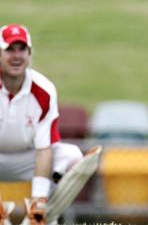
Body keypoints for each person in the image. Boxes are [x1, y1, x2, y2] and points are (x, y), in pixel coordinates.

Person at [0, 24, 98, 225]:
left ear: (29, 54)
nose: (16, 56)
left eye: (22, 49)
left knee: (72, 157)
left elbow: (44, 149)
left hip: (27, 159)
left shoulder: (44, 90)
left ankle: (41, 214)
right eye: (10, 49)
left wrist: (38, 202)